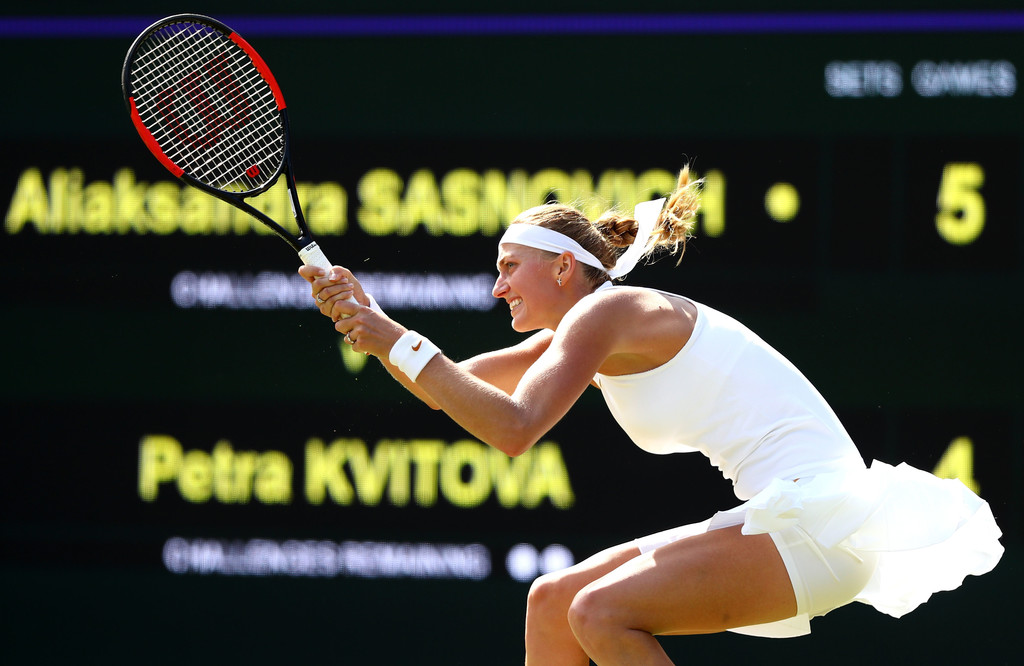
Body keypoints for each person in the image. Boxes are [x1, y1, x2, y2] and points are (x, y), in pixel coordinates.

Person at [299, 165, 1004, 665]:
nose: (496, 286)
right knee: (552, 602)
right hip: (785, 519)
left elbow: (512, 428)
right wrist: (371, 318)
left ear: (563, 269)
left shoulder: (609, 312)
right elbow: (455, 386)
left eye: (510, 266)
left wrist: (392, 339)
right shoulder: (586, 327)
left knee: (597, 612)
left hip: (816, 528)